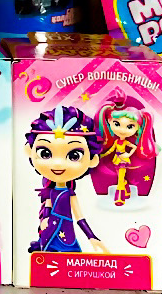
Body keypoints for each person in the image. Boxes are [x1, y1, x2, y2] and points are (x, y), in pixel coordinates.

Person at [25, 106, 108, 254]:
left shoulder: (70, 194)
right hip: (50, 230)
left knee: (71, 258)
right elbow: (48, 207)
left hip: (66, 233)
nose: (58, 164)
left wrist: (92, 237)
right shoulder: (51, 192)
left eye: (74, 156)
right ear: (29, 151)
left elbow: (80, 218)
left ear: (92, 160)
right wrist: (45, 219)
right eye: (45, 153)